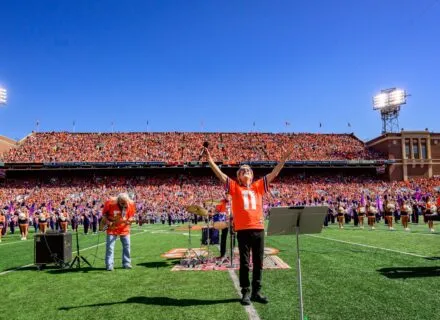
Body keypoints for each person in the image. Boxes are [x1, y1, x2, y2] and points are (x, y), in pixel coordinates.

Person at [204, 144, 293, 306]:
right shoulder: (235, 187)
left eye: (249, 170)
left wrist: (284, 159)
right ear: (238, 176)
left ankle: (257, 291)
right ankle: (245, 291)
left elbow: (274, 173)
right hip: (243, 230)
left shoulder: (258, 186)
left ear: (252, 176)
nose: (246, 170)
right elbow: (221, 175)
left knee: (258, 261)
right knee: (244, 262)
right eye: (242, 169)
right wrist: (209, 160)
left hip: (258, 228)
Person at [102, 193, 136, 271]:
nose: (124, 204)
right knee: (110, 247)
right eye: (122, 203)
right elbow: (104, 215)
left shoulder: (131, 203)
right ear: (118, 200)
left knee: (127, 246)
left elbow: (131, 216)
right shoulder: (110, 202)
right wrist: (107, 221)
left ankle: (126, 263)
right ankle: (109, 265)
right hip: (112, 228)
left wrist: (130, 220)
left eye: (125, 202)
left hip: (124, 228)